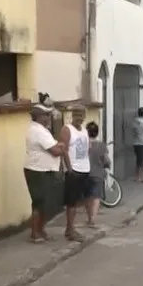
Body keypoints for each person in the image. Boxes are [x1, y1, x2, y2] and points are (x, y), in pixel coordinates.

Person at [23, 103, 65, 243]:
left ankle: (40, 230)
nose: (48, 117)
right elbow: (55, 150)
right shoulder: (38, 131)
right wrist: (61, 147)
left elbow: (54, 146)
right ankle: (35, 233)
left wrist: (59, 146)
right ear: (39, 117)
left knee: (45, 203)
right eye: (46, 115)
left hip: (42, 170)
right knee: (39, 202)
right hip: (38, 171)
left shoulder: (40, 130)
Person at [59, 105, 92, 242]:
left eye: (81, 115)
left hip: (84, 170)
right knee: (71, 203)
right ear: (72, 115)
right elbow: (63, 149)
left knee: (79, 202)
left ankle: (71, 228)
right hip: (74, 171)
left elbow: (87, 149)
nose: (79, 118)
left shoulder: (84, 131)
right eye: (76, 114)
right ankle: (69, 230)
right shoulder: (67, 129)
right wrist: (69, 169)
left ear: (84, 116)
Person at [85, 121, 110, 227]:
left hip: (85, 174)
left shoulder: (84, 144)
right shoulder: (101, 145)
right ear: (97, 132)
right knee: (96, 197)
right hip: (97, 175)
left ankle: (89, 217)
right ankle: (93, 219)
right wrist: (107, 165)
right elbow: (106, 160)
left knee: (87, 197)